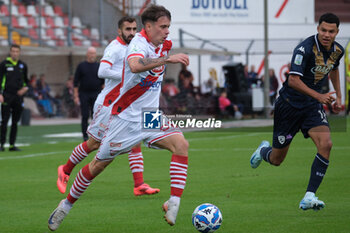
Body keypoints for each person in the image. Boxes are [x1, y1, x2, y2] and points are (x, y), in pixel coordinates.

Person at [48, 5, 190, 231]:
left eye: (168, 27)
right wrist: (166, 60)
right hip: (125, 118)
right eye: (163, 27)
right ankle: (65, 206)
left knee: (181, 144)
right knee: (97, 165)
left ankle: (173, 202)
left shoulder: (164, 44)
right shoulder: (138, 44)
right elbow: (134, 66)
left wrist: (166, 56)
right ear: (149, 26)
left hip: (149, 116)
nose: (167, 32)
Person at [56, 16, 159, 196]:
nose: (132, 33)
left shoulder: (137, 47)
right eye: (128, 29)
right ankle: (65, 170)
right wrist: (127, 74)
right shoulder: (115, 47)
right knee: (94, 143)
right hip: (108, 103)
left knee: (135, 142)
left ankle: (139, 184)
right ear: (119, 31)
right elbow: (102, 71)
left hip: (127, 104)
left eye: (134, 29)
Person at [250, 13, 344, 211]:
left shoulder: (337, 51)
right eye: (323, 30)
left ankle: (309, 196)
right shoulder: (304, 49)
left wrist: (339, 97)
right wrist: (319, 96)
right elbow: (293, 80)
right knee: (277, 159)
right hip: (289, 106)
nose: (327, 34)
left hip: (311, 107)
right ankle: (263, 151)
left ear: (337, 32)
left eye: (331, 31)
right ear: (317, 29)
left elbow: (334, 68)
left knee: (326, 144)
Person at [0, 44, 28, 151]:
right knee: (4, 121)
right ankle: (1, 144)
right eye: (13, 51)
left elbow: (26, 82)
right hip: (6, 95)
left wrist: (25, 88)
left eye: (17, 51)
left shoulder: (23, 66)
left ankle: (12, 145)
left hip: (18, 97)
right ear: (10, 52)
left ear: (19, 53)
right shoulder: (4, 64)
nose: (15, 53)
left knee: (15, 122)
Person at [74, 47, 104, 141]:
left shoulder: (99, 66)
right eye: (90, 53)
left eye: (93, 53)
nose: (92, 55)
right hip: (84, 94)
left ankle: (95, 135)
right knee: (85, 115)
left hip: (96, 94)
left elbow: (103, 83)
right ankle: (85, 135)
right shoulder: (81, 66)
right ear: (87, 54)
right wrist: (75, 96)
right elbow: (76, 82)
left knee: (96, 115)